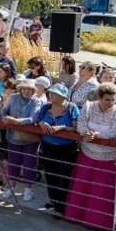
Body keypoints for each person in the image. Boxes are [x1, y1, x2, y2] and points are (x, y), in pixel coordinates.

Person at [65, 83, 116, 230]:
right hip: (88, 154)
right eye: (107, 99)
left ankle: (105, 223)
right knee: (84, 187)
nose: (111, 103)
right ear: (99, 98)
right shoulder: (88, 106)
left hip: (110, 157)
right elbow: (81, 124)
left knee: (105, 191)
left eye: (113, 99)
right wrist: (86, 133)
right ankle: (79, 216)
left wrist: (96, 135)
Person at [37, 83, 79, 216]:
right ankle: (54, 201)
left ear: (63, 96)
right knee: (50, 175)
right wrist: (41, 123)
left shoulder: (71, 108)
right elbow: (38, 120)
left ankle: (61, 207)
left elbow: (76, 127)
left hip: (66, 148)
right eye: (50, 92)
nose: (51, 95)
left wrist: (62, 127)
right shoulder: (46, 107)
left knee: (63, 177)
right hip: (48, 145)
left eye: (54, 93)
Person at [0, 79, 42, 202]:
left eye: (29, 89)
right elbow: (3, 110)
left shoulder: (36, 101)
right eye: (24, 88)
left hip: (29, 139)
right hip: (12, 137)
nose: (26, 91)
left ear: (33, 91)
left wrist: (18, 121)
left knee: (29, 164)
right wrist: (4, 118)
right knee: (13, 163)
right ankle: (11, 188)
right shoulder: (13, 97)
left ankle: (28, 190)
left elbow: (33, 118)